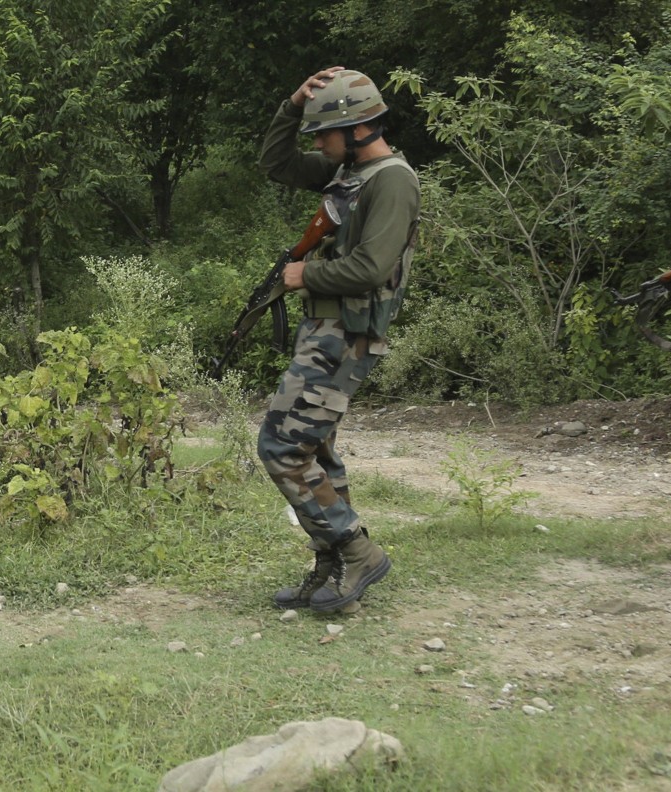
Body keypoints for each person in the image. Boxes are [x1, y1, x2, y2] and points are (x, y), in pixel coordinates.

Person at [256, 67, 422, 612]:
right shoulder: (348, 172)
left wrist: (307, 276)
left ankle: (357, 552)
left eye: (324, 133)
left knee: (281, 445)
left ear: (358, 128)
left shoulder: (391, 179)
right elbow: (275, 163)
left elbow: (373, 267)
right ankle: (332, 571)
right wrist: (291, 102)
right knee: (314, 449)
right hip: (325, 330)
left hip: (348, 335)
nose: (318, 144)